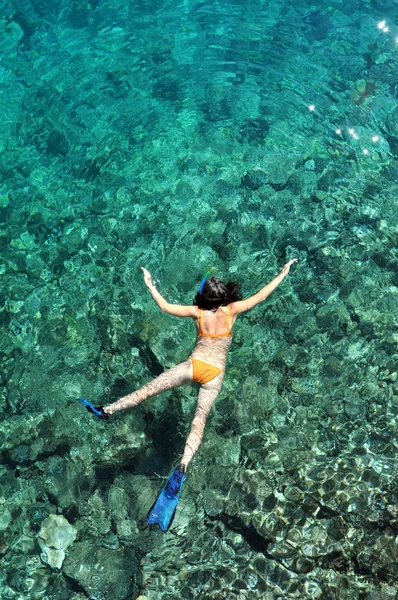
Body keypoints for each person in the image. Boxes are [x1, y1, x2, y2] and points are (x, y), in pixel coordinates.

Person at [80, 259, 297, 531]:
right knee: (200, 419)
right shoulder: (232, 311)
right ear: (225, 297)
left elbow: (164, 307)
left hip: (192, 366)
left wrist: (150, 283)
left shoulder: (197, 313)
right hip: (214, 375)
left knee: (149, 390)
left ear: (203, 298)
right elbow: (263, 294)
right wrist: (283, 272)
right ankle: (182, 465)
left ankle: (108, 410)